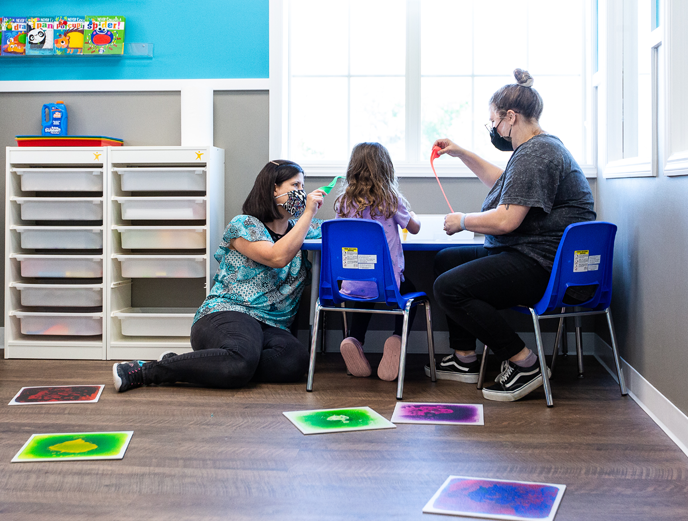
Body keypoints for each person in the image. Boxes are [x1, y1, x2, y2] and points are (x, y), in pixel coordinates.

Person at [430, 68, 596, 402]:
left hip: (543, 264)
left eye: (494, 122)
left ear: (510, 116)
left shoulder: (536, 152)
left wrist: (462, 220)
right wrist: (461, 152)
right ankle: (464, 358)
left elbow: (507, 221)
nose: (494, 129)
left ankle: (524, 362)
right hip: (534, 255)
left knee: (449, 288)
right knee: (446, 261)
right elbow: (502, 180)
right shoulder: (538, 149)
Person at [112, 160, 324, 392]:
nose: (301, 194)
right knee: (241, 360)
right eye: (295, 186)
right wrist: (309, 212)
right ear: (274, 188)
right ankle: (146, 371)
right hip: (229, 313)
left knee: (294, 361)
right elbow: (277, 257)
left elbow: (336, 229)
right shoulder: (243, 225)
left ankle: (191, 363)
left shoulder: (302, 229)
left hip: (272, 326)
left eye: (303, 188)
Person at [334, 142, 421, 381]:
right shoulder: (391, 200)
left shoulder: (343, 201)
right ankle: (397, 339)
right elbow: (413, 229)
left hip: (350, 285)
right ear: (386, 169)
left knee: (364, 292)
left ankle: (355, 339)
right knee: (410, 292)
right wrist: (412, 216)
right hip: (387, 283)